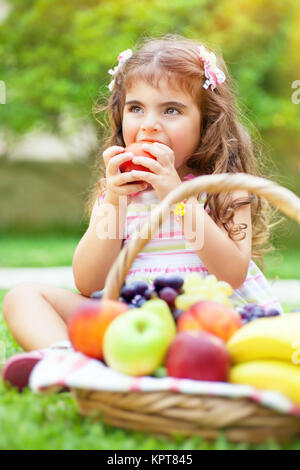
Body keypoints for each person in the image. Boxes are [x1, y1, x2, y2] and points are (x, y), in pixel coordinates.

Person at [2, 34, 283, 391]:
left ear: (207, 121)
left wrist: (177, 195)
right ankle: (66, 362)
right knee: (23, 296)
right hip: (127, 322)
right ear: (121, 116)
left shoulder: (224, 188)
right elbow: (88, 282)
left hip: (205, 323)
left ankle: (116, 371)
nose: (149, 124)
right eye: (136, 108)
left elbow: (231, 273)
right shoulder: (121, 190)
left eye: (171, 110)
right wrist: (115, 202)